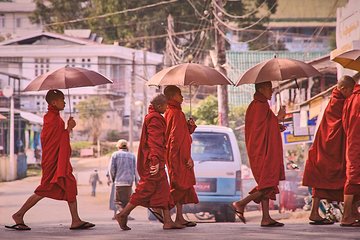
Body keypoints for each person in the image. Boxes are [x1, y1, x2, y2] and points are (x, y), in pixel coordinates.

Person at [5, 90, 95, 231]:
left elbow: (59, 139)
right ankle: (19, 214)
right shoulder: (51, 119)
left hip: (58, 161)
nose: (64, 102)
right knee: (44, 190)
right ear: (54, 102)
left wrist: (67, 129)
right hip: (52, 161)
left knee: (69, 185)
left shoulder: (56, 117)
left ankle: (76, 220)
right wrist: (69, 129)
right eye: (62, 99)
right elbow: (54, 141)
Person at [116, 94, 184, 230]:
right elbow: (154, 141)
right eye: (165, 105)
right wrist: (155, 160)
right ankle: (123, 213)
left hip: (157, 159)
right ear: (159, 106)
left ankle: (168, 221)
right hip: (154, 161)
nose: (167, 108)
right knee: (144, 189)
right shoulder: (155, 118)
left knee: (164, 190)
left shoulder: (154, 116)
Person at [302, 75, 356, 225]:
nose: (351, 94)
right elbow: (340, 124)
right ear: (343, 89)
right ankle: (344, 213)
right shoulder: (338, 102)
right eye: (350, 91)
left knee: (321, 180)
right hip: (329, 147)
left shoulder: (335, 99)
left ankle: (316, 212)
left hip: (326, 147)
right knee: (339, 178)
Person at [232, 81, 286, 227]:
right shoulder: (259, 106)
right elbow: (258, 132)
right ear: (261, 89)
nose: (271, 90)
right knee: (268, 184)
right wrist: (279, 117)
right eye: (269, 88)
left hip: (262, 150)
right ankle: (241, 203)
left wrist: (276, 125)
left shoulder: (261, 105)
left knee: (266, 183)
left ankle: (266, 218)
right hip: (262, 152)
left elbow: (265, 128)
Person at [162, 85, 198, 227]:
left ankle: (179, 217)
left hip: (176, 154)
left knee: (183, 186)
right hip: (177, 156)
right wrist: (185, 158)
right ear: (172, 97)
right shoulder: (175, 113)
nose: (182, 97)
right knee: (179, 186)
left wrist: (190, 127)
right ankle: (163, 211)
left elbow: (181, 134)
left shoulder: (172, 112)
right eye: (179, 94)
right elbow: (175, 140)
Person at [341, 78, 360, 227]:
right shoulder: (356, 98)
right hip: (356, 144)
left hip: (353, 143)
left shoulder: (352, 99)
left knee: (353, 179)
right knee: (353, 180)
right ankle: (346, 216)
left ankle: (353, 213)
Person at [108, 139, 137, 221]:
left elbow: (111, 169)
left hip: (119, 181)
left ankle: (121, 214)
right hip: (129, 182)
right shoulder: (132, 155)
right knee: (127, 201)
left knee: (118, 202)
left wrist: (113, 179)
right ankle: (125, 215)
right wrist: (137, 182)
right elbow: (135, 170)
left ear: (118, 147)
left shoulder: (115, 155)